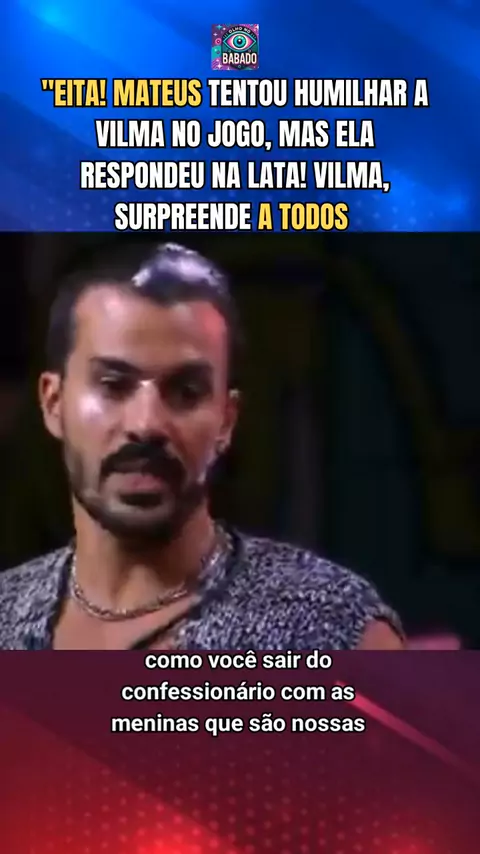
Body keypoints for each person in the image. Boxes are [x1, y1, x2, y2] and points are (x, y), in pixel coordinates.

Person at [0, 242, 403, 650]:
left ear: (227, 420)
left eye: (186, 392)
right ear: (53, 404)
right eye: (114, 385)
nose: (146, 424)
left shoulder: (331, 629)